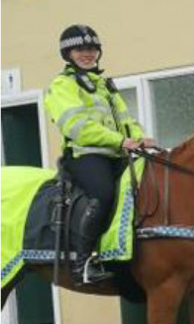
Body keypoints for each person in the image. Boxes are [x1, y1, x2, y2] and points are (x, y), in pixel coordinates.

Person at [43, 24, 153, 285]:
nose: (87, 53)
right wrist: (121, 141)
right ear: (68, 53)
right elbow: (78, 127)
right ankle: (84, 263)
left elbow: (126, 119)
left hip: (116, 153)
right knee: (103, 194)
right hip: (86, 155)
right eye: (80, 49)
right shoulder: (62, 85)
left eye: (92, 48)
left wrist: (140, 138)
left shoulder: (104, 85)